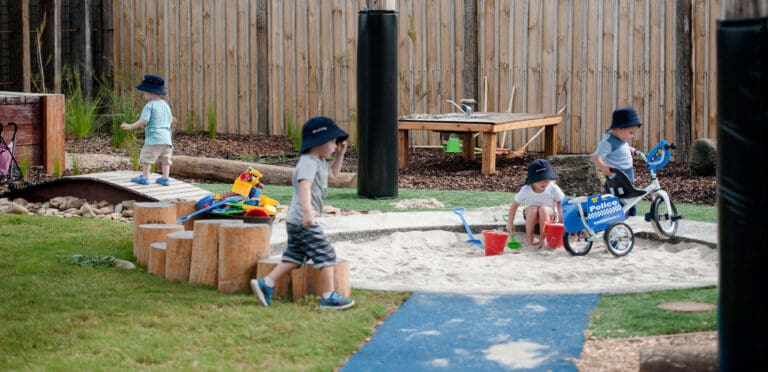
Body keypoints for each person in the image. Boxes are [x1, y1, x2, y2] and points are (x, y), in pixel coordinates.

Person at [251, 116, 355, 310]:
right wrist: (308, 213)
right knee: (327, 254)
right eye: (332, 141)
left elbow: (333, 176)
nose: (335, 145)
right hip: (303, 220)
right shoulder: (308, 162)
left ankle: (266, 283)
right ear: (319, 142)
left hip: (295, 221)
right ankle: (328, 296)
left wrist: (340, 155)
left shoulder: (320, 161)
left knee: (294, 257)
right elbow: (304, 187)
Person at [121, 74, 174, 186]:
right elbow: (170, 120)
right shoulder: (165, 105)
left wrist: (130, 126)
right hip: (167, 139)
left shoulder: (150, 106)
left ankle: (144, 177)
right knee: (166, 160)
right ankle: (165, 179)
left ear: (150, 92)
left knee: (147, 158)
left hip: (154, 139)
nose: (143, 94)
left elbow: (143, 121)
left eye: (144, 92)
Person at [591, 107, 642, 215]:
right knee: (617, 203)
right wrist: (604, 168)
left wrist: (630, 149)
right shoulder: (608, 142)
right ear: (620, 128)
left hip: (627, 176)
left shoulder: (620, 138)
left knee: (630, 200)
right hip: (617, 179)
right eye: (631, 132)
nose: (632, 136)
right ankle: (614, 222)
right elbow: (596, 157)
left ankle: (626, 221)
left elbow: (621, 146)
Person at [507, 159, 565, 248]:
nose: (544, 183)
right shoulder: (526, 189)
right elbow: (514, 205)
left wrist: (561, 219)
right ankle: (529, 238)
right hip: (531, 215)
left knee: (543, 209)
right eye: (540, 180)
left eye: (546, 180)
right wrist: (510, 223)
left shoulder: (553, 188)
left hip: (549, 216)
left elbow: (560, 202)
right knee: (532, 209)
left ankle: (543, 238)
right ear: (532, 180)